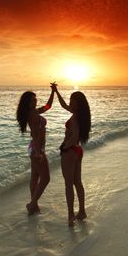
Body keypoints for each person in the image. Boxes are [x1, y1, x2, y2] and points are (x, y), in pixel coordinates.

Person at [52, 84, 91, 226]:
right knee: (77, 182)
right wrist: (56, 92)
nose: (70, 105)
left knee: (69, 185)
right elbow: (64, 106)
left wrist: (64, 147)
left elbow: (74, 136)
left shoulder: (75, 118)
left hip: (70, 152)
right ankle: (82, 211)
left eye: (73, 103)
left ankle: (70, 215)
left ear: (78, 104)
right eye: (71, 102)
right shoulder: (80, 115)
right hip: (78, 151)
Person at [16, 83, 56, 215]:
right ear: (27, 103)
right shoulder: (32, 115)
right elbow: (35, 134)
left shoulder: (34, 112)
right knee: (45, 179)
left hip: (34, 148)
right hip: (36, 149)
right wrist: (39, 152)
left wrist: (53, 92)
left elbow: (48, 106)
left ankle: (34, 206)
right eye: (33, 100)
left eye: (35, 99)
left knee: (35, 176)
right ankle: (32, 204)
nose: (35, 100)